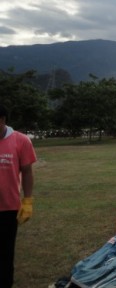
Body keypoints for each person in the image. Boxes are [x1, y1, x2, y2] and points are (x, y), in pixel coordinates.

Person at [0, 104, 37, 287]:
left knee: (5, 255)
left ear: (3, 120)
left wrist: (28, 200)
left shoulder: (20, 140)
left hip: (8, 209)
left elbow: (27, 172)